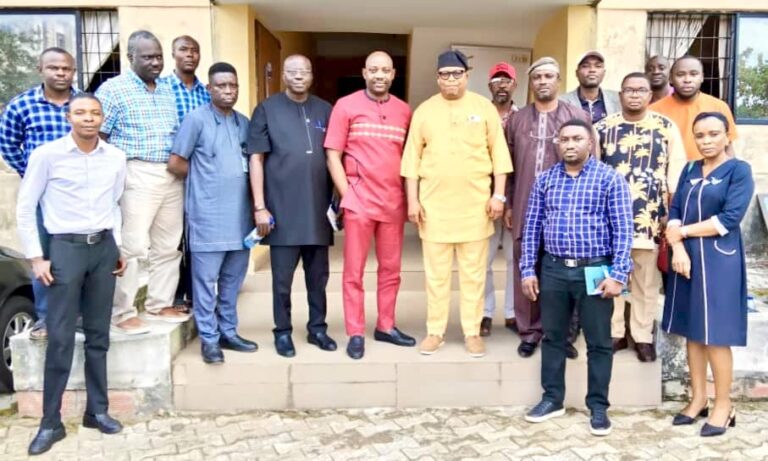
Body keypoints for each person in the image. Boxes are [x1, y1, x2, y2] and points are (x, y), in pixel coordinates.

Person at [17, 93, 127, 456]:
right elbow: (26, 207)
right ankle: (51, 422)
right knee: (61, 338)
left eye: (95, 113)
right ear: (69, 117)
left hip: (103, 249)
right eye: (81, 112)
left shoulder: (115, 157)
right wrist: (36, 257)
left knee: (98, 335)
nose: (88, 118)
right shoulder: (47, 155)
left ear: (102, 118)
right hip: (64, 249)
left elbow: (115, 203)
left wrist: (118, 246)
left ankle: (97, 411)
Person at [520, 118, 633, 437]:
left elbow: (624, 230)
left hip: (595, 270)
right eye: (564, 139)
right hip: (554, 269)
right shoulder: (545, 180)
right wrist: (528, 269)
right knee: (553, 337)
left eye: (577, 139)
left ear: (590, 143)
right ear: (557, 143)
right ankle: (552, 399)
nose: (570, 144)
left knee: (599, 342)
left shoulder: (609, 178)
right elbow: (532, 228)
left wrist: (618, 274)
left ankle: (598, 406)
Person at [401, 50, 512, 358]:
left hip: (476, 208)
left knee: (474, 276)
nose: (451, 79)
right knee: (435, 276)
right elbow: (411, 160)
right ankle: (435, 331)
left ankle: (472, 332)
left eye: (456, 73)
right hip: (434, 209)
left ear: (467, 75)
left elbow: (499, 155)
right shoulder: (424, 111)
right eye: (445, 74)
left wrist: (499, 196)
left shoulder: (484, 108)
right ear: (437, 78)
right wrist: (412, 201)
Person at [662, 112, 754, 437]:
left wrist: (683, 233)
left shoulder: (739, 171)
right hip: (685, 260)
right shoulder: (689, 169)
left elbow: (728, 219)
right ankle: (698, 398)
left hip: (719, 260)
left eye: (714, 134)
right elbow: (675, 210)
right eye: (700, 135)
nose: (706, 141)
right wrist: (677, 247)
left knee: (715, 334)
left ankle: (723, 405)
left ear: (727, 135)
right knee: (693, 330)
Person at [96, 30, 189, 334]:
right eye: (148, 57)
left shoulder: (167, 89)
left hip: (171, 174)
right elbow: (100, 136)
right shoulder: (114, 90)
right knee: (133, 247)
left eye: (159, 57)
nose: (155, 62)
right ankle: (122, 312)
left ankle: (159, 304)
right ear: (130, 57)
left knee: (168, 245)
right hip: (136, 172)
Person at [325, 51, 415, 360]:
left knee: (391, 270)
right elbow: (333, 155)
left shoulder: (404, 111)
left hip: (393, 202)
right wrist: (347, 195)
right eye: (374, 69)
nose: (379, 75)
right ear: (364, 73)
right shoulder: (345, 106)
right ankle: (355, 332)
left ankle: (386, 326)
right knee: (354, 271)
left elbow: (410, 158)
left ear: (393, 75)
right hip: (359, 201)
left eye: (385, 70)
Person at [247, 55, 337, 358]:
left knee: (318, 279)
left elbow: (336, 157)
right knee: (282, 281)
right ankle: (283, 332)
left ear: (312, 75)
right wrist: (260, 207)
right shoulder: (266, 109)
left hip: (317, 212)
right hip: (282, 211)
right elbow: (256, 158)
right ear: (284, 75)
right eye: (293, 72)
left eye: (304, 71)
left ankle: (318, 329)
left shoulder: (326, 110)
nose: (299, 76)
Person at [167, 62, 256, 364]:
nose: (228, 91)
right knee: (205, 282)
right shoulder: (196, 120)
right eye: (221, 86)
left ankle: (228, 331)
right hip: (207, 216)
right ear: (209, 89)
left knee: (232, 280)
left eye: (233, 85)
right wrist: (204, 179)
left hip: (240, 218)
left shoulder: (244, 123)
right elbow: (176, 162)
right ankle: (209, 339)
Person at [594, 72, 687, 362]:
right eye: (629, 90)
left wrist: (673, 213)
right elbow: (592, 173)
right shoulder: (602, 128)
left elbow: (676, 174)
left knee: (646, 282)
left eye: (641, 90)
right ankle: (615, 333)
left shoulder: (665, 127)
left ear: (650, 94)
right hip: (609, 220)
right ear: (620, 95)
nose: (635, 95)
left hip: (650, 219)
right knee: (610, 277)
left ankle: (642, 335)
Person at [504, 56, 590, 359]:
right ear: (531, 82)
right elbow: (508, 165)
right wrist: (508, 202)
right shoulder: (517, 119)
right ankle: (529, 331)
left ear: (558, 80)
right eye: (537, 77)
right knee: (525, 263)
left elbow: (590, 160)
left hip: (565, 207)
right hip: (524, 202)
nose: (542, 81)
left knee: (563, 268)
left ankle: (563, 333)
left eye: (548, 76)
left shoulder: (576, 115)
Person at [0, 47, 78, 341]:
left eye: (66, 68)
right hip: (42, 196)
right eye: (54, 68)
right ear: (40, 69)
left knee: (78, 256)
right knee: (43, 255)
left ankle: (78, 314)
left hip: (78, 194)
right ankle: (46, 317)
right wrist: (32, 173)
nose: (60, 73)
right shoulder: (22, 105)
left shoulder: (83, 103)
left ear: (73, 71)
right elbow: (7, 144)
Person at [159, 34, 211, 313]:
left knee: (194, 235)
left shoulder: (206, 93)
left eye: (194, 50)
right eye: (183, 50)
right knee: (170, 238)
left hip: (199, 174)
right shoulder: (161, 89)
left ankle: (192, 293)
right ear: (173, 54)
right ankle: (173, 296)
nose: (190, 55)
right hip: (170, 169)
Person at [481, 61, 519, 337]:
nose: (501, 85)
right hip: (484, 200)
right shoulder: (480, 114)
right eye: (497, 81)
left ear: (514, 85)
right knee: (483, 260)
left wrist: (511, 200)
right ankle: (485, 312)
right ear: (489, 86)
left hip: (516, 198)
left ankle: (512, 313)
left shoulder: (524, 117)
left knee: (515, 260)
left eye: (506, 80)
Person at [650, 56, 738, 160]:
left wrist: (732, 169)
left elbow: (728, 147)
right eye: (680, 75)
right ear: (671, 79)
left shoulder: (719, 107)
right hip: (669, 169)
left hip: (709, 169)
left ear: (702, 77)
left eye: (693, 74)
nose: (687, 80)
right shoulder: (653, 111)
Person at [559, 51, 620, 124]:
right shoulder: (562, 102)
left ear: (604, 73)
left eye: (598, 66)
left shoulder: (618, 99)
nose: (592, 70)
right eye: (585, 66)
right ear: (577, 73)